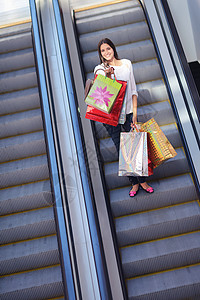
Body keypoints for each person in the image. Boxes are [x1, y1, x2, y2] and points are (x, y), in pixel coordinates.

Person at [94, 38, 154, 197]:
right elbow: (102, 92)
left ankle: (142, 181)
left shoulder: (126, 64)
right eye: (103, 51)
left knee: (133, 146)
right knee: (122, 148)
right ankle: (134, 183)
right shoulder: (100, 69)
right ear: (100, 54)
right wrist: (107, 76)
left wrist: (135, 113)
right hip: (110, 116)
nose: (106, 52)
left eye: (108, 49)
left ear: (113, 49)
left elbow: (133, 90)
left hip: (128, 113)